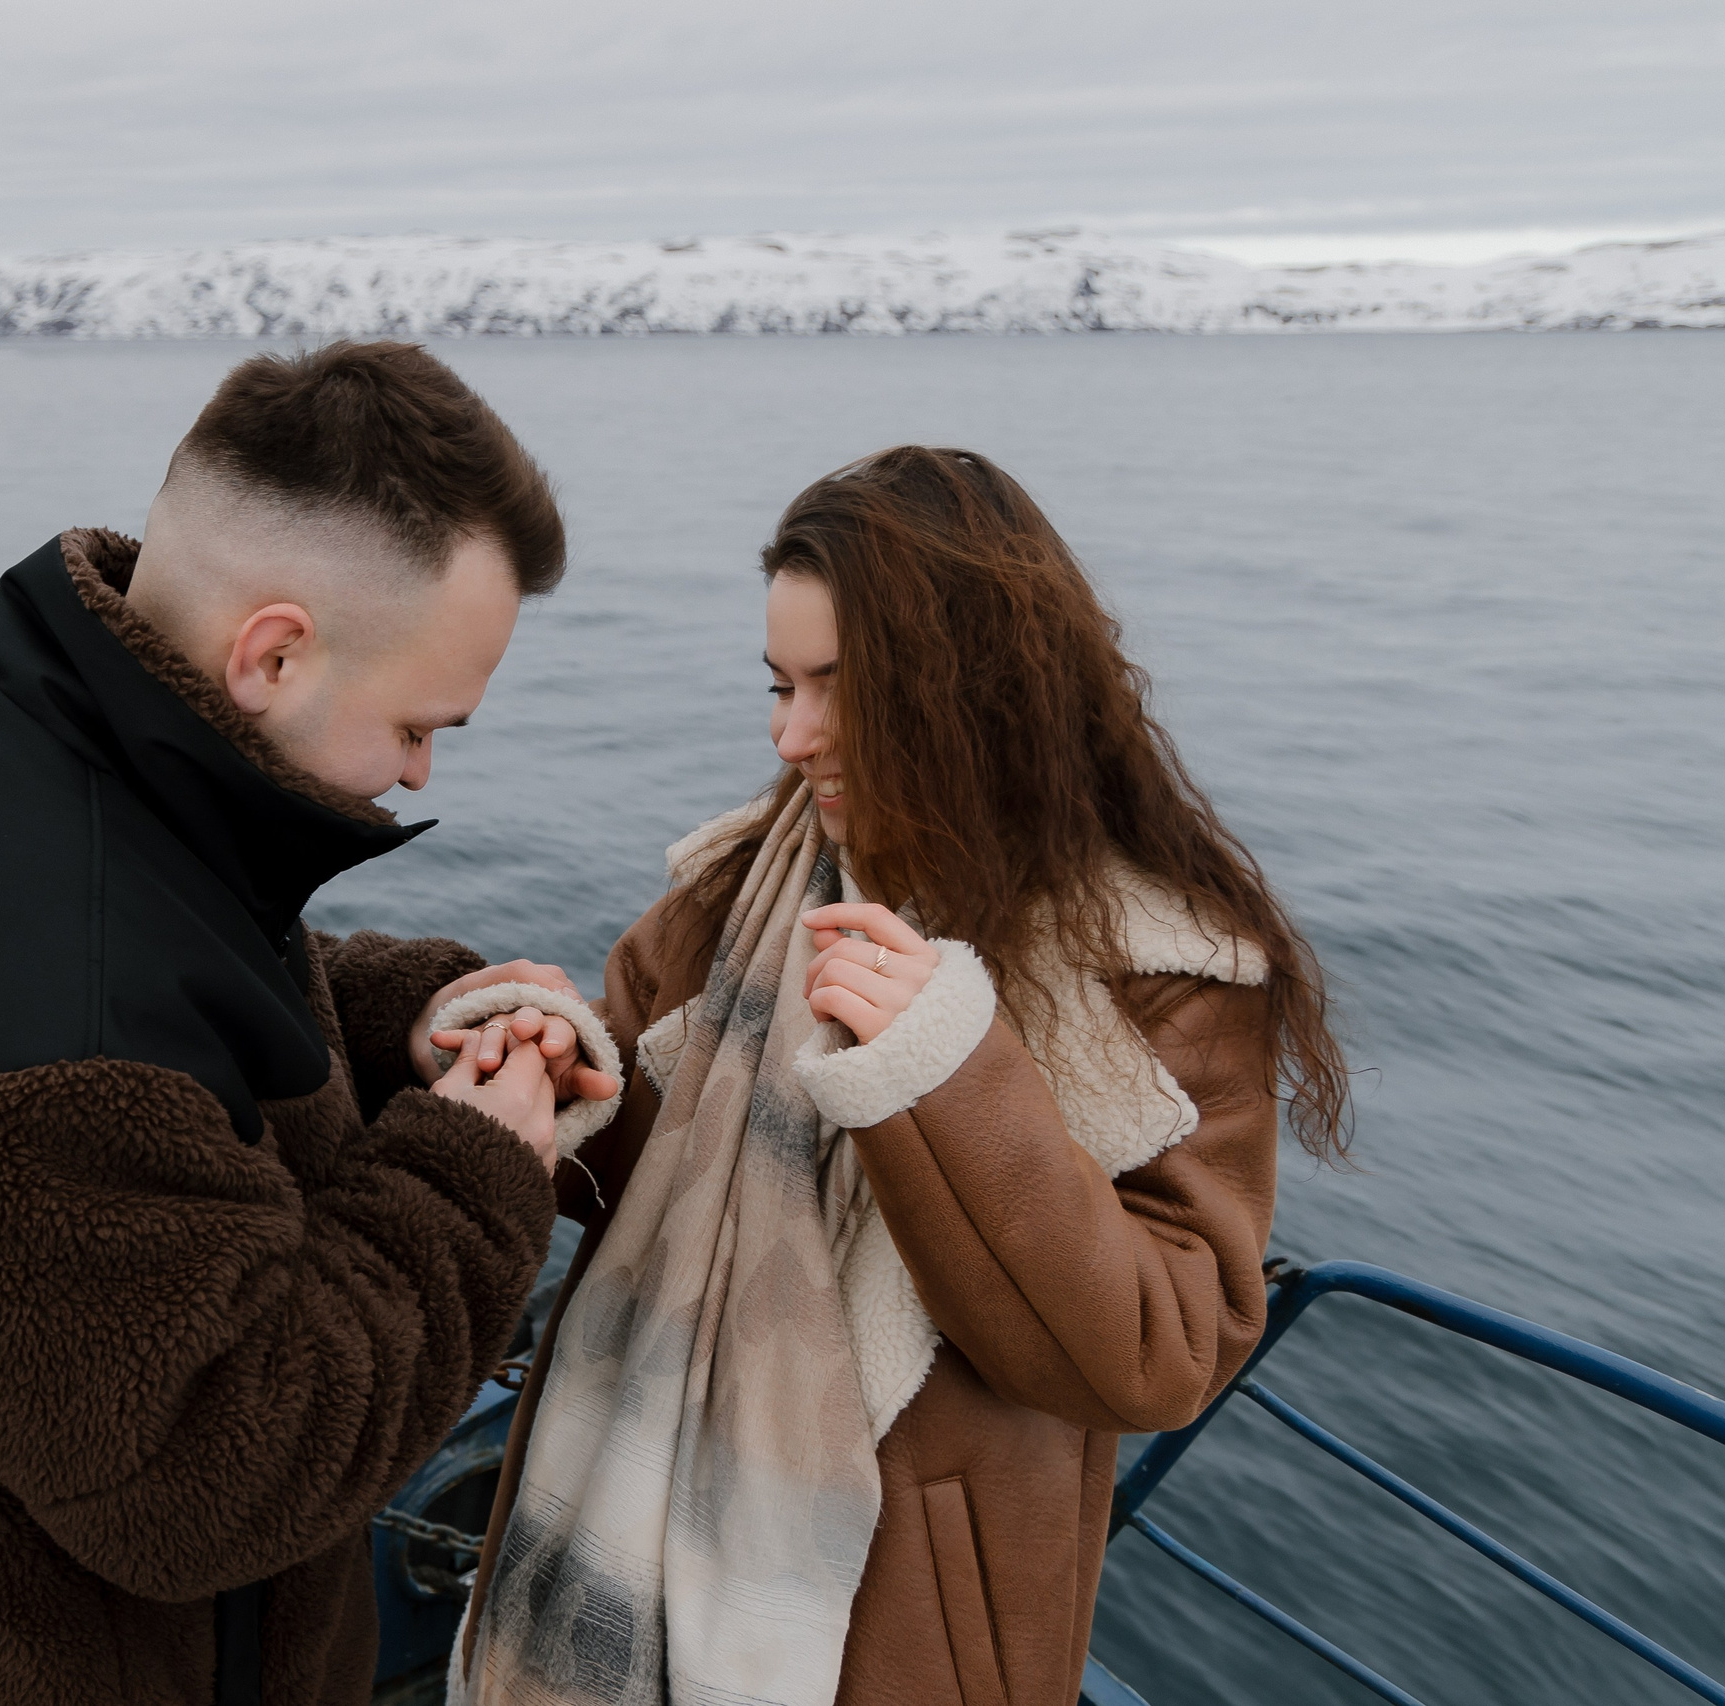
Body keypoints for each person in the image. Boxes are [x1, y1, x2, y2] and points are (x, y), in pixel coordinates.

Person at [0, 341, 618, 1706]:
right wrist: (479, 1158)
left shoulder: (77, 764)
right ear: (274, 651)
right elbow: (215, 1475)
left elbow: (196, 977)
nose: (420, 769)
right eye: (415, 721)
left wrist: (419, 1015)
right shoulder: (37, 1053)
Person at [452, 446, 1350, 1706]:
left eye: (839, 689)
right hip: (617, 1535)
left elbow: (1160, 1355)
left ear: (971, 687)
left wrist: (945, 1070)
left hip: (897, 1638)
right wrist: (548, 1063)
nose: (790, 733)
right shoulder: (736, 889)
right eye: (777, 684)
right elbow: (637, 1182)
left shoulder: (1165, 970)